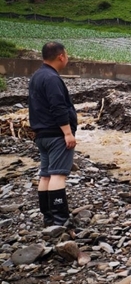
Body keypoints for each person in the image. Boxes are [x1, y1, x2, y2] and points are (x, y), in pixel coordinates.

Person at [28, 42, 77, 227]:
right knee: (57, 175)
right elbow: (58, 106)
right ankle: (60, 219)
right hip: (56, 134)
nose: (67, 58)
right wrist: (68, 133)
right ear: (60, 56)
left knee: (46, 175)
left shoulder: (37, 76)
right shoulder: (52, 78)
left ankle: (48, 218)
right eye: (67, 55)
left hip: (42, 134)